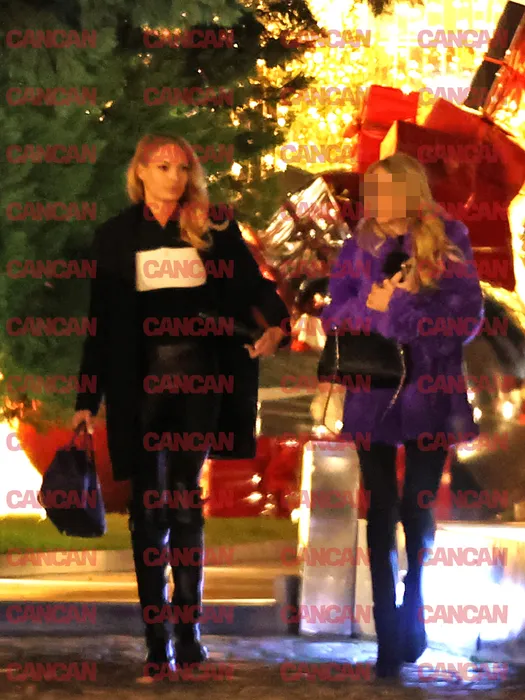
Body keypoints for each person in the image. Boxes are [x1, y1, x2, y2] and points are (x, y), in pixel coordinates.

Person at [72, 133, 289, 680]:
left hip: (199, 377)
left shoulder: (213, 227)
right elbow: (100, 325)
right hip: (138, 383)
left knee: (186, 499)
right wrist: (85, 400)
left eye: (182, 167)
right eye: (163, 166)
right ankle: (156, 638)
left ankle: (189, 630)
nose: (174, 176)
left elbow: (253, 286)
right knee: (148, 507)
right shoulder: (116, 236)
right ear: (141, 172)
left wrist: (277, 324)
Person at [321, 152, 483, 679]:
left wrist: (400, 309)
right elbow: (334, 313)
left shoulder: (447, 239)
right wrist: (372, 306)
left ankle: (414, 602)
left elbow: (466, 318)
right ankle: (387, 632)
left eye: (388, 189)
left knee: (418, 506)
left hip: (429, 391)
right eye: (372, 190)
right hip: (372, 391)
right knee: (380, 507)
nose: (377, 200)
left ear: (412, 192)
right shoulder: (357, 246)